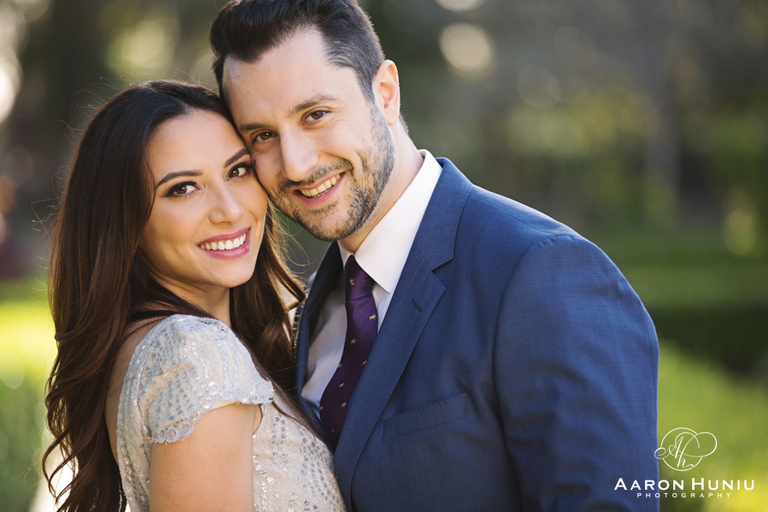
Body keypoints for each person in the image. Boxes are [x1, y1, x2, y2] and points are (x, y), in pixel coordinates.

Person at [210, 1, 660, 511]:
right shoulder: (315, 301)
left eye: (315, 114)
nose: (295, 163)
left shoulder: (542, 273)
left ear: (385, 93)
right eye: (262, 136)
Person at [43, 80, 346, 512]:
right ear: (125, 221)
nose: (231, 210)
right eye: (183, 188)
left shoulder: (148, 345)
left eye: (237, 170)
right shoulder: (198, 354)